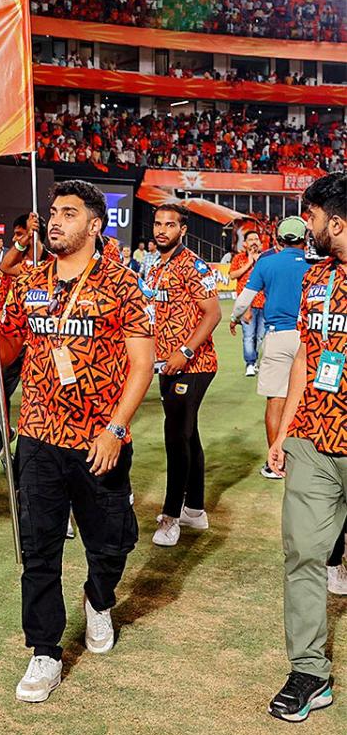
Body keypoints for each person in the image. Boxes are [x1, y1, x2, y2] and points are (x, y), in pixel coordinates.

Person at [0, 180, 154, 704]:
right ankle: (45, 650)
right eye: (53, 212)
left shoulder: (122, 284)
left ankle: (99, 600)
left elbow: (142, 364)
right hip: (36, 435)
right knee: (39, 547)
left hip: (99, 439)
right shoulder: (30, 279)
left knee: (112, 540)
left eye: (69, 214)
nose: (54, 221)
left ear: (94, 225)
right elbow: (6, 354)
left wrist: (117, 428)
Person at [266, 172, 347, 722]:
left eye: (312, 218)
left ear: (335, 223)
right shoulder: (315, 277)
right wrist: (284, 432)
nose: (306, 227)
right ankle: (309, 672)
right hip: (314, 439)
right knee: (303, 553)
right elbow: (303, 358)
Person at [147, 204, 222, 548]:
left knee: (176, 435)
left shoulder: (193, 265)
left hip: (194, 364)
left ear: (183, 230)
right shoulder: (155, 265)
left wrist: (186, 351)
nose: (162, 229)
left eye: (170, 225)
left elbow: (213, 313)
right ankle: (194, 509)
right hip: (165, 363)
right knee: (188, 434)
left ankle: (171, 516)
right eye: (158, 223)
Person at [229, 217, 310, 481]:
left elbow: (244, 301)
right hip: (308, 336)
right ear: (305, 239)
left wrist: (234, 317)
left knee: (276, 400)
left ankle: (274, 462)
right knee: (309, 399)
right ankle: (306, 463)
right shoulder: (315, 264)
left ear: (277, 240)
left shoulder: (267, 262)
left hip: (277, 336)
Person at [0, 213, 41, 461]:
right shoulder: (19, 266)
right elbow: (5, 267)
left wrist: (33, 237)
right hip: (11, 338)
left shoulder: (45, 263)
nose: (15, 240)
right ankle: (2, 435)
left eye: (20, 234)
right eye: (15, 234)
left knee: (35, 402)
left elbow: (38, 255)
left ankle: (23, 461)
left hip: (39, 342)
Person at [229, 229, 267, 376]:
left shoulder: (265, 259)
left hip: (264, 303)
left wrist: (256, 261)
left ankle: (255, 361)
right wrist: (249, 263)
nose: (254, 242)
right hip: (246, 305)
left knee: (260, 336)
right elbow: (232, 275)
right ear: (244, 244)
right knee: (248, 335)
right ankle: (250, 363)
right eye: (251, 239)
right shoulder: (239, 258)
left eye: (256, 239)